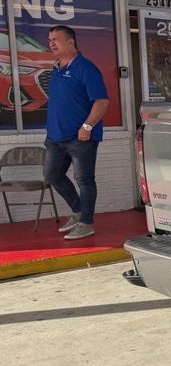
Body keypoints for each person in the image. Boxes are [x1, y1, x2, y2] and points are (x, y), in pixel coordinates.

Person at [43, 25, 109, 240]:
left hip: (81, 138)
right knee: (52, 175)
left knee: (84, 180)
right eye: (50, 39)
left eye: (56, 39)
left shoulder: (85, 68)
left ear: (70, 41)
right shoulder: (55, 69)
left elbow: (101, 102)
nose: (51, 43)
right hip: (55, 137)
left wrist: (87, 127)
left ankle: (87, 223)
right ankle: (80, 211)